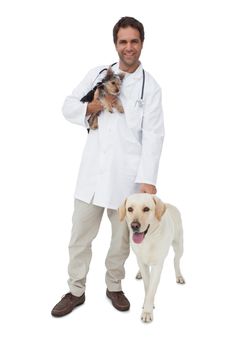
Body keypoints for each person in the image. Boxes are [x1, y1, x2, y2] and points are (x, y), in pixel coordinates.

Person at [51, 16, 164, 317]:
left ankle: (114, 286)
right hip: (92, 174)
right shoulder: (98, 73)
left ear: (142, 43)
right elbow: (68, 105)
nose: (129, 47)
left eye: (134, 41)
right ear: (116, 44)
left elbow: (154, 135)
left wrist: (148, 181)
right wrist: (93, 106)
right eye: (123, 41)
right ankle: (76, 290)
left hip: (125, 181)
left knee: (121, 242)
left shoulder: (150, 88)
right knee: (79, 238)